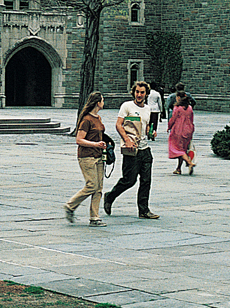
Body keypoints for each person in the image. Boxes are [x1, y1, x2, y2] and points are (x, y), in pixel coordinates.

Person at [103, 81, 159, 220]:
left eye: (142, 92)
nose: (139, 95)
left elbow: (145, 127)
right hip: (131, 149)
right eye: (137, 92)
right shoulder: (126, 106)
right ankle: (110, 196)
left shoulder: (148, 109)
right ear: (133, 92)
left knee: (146, 180)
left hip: (144, 149)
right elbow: (119, 124)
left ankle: (144, 210)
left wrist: (151, 133)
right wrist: (127, 140)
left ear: (146, 94)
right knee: (129, 180)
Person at [63, 91, 108, 227]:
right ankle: (70, 205)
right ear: (97, 102)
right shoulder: (86, 120)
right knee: (91, 185)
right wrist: (95, 144)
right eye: (102, 100)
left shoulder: (98, 118)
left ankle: (94, 217)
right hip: (87, 156)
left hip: (99, 155)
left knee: (99, 188)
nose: (103, 102)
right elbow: (79, 140)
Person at [168, 92, 196, 175]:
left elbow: (173, 118)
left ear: (178, 98)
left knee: (177, 149)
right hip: (188, 130)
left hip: (178, 130)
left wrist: (169, 126)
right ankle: (178, 168)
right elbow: (192, 119)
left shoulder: (177, 108)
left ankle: (189, 162)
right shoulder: (190, 108)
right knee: (183, 149)